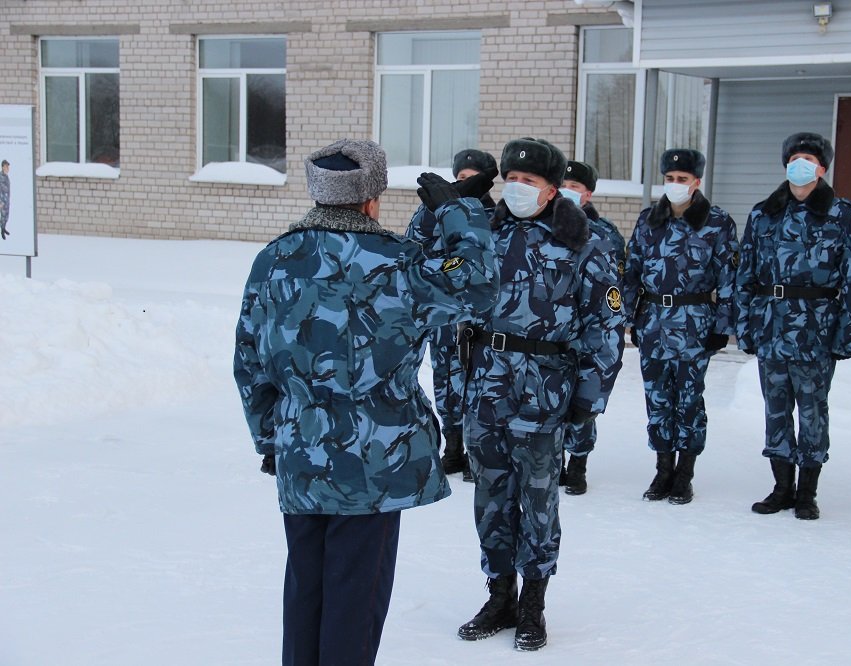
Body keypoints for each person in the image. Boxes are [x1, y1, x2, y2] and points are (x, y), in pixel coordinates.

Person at [233, 139, 498, 666]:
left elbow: (249, 359)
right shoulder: (398, 264)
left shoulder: (274, 259)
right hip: (374, 463)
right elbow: (479, 285)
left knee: (305, 589)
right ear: (372, 199)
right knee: (356, 599)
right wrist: (458, 211)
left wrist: (271, 438)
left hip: (301, 453)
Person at [457, 137, 624, 651]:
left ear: (553, 190)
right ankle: (498, 594)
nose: (518, 187)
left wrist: (586, 401)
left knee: (537, 500)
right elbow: (434, 274)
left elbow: (607, 326)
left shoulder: (584, 242)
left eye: (530, 181)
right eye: (511, 178)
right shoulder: (481, 233)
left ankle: (533, 603)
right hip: (486, 386)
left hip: (544, 391)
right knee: (491, 497)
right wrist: (450, 210)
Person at [735, 132, 851, 520]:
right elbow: (745, 275)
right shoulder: (763, 214)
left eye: (809, 158)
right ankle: (781, 487)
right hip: (771, 326)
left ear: (822, 167)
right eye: (795, 157)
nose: (800, 164)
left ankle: (807, 492)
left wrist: (848, 334)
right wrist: (745, 327)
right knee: (776, 410)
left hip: (817, 330)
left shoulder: (844, 214)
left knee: (812, 410)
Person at [622, 149, 738, 504]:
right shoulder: (648, 221)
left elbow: (730, 279)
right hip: (654, 320)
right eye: (670, 179)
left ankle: (684, 474)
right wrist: (630, 318)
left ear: (697, 182)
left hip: (695, 323)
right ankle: (662, 470)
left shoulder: (716, 222)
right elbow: (631, 273)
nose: (675, 185)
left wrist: (723, 326)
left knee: (688, 400)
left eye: (682, 180)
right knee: (657, 400)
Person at [405, 149, 498, 483]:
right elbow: (413, 246)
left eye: (471, 178)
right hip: (443, 317)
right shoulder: (434, 212)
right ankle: (453, 445)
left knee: (476, 381)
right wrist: (435, 212)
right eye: (459, 178)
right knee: (444, 380)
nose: (464, 184)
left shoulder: (495, 215)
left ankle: (476, 449)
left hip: (477, 319)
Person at [556, 159, 626, 495]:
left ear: (588, 193)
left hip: (590, 327)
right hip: (556, 326)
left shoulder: (605, 234)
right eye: (563, 185)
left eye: (575, 187)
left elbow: (616, 285)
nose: (568, 192)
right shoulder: (547, 226)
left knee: (584, 394)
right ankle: (554, 460)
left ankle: (579, 462)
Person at [1, 160, 10, 240]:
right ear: (3, 167)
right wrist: (1, 202)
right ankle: (2, 231)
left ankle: (4, 228)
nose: (8, 168)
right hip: (3, 201)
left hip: (6, 200)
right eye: (6, 166)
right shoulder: (1, 177)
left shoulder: (6, 176)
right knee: (3, 216)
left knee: (6, 215)